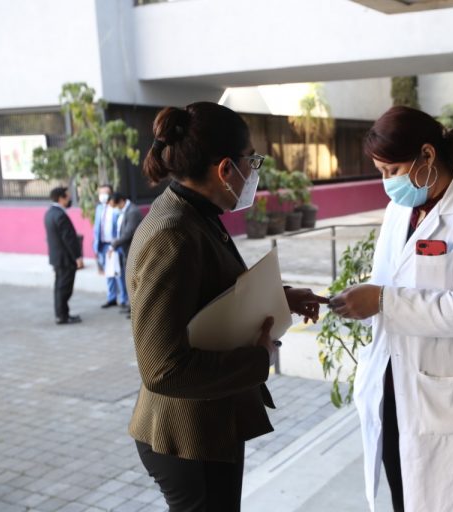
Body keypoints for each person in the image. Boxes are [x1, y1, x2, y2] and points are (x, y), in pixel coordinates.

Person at [127, 101, 328, 511]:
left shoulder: (192, 213)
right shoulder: (172, 233)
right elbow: (162, 369)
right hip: (186, 438)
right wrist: (259, 358)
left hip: (205, 428)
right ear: (224, 169)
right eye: (250, 161)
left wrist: (280, 299)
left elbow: (211, 294)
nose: (253, 171)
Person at [329, 106, 453, 512]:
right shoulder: (399, 211)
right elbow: (387, 280)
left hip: (451, 393)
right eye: (381, 170)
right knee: (403, 492)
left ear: (428, 156)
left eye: (392, 169)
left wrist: (381, 300)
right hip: (393, 383)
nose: (387, 182)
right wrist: (359, 299)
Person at [43, 186, 84, 325]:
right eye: (67, 196)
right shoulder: (60, 215)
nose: (70, 199)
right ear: (61, 198)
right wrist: (77, 257)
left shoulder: (50, 213)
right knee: (64, 288)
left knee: (59, 287)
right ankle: (63, 316)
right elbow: (69, 239)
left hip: (57, 258)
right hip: (65, 259)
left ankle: (61, 314)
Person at [108, 191, 143, 317]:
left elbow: (128, 233)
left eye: (114, 205)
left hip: (132, 251)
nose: (114, 208)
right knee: (128, 280)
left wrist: (114, 244)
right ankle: (130, 307)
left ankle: (135, 309)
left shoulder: (132, 211)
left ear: (121, 201)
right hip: (125, 251)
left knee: (134, 281)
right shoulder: (124, 211)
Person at [93, 183, 121, 308]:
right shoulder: (99, 208)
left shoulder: (116, 208)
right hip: (103, 245)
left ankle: (124, 300)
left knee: (118, 272)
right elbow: (96, 228)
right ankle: (112, 298)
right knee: (108, 273)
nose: (103, 196)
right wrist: (95, 245)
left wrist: (115, 244)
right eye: (101, 193)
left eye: (106, 193)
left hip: (115, 245)